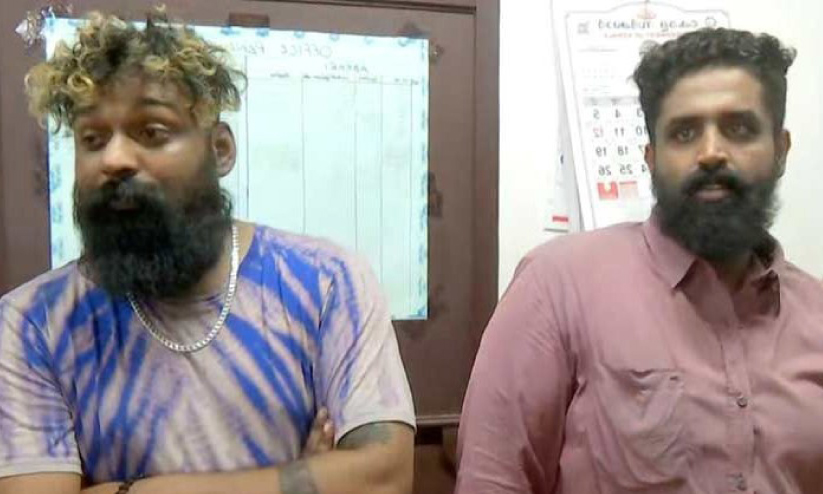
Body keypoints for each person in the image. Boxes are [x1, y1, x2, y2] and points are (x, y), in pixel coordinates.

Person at [0, 10, 415, 494]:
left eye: (151, 131)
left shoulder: (328, 283)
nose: (114, 158)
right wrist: (306, 483)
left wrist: (127, 491)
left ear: (220, 150)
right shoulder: (32, 323)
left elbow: (384, 480)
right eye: (92, 139)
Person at [456, 27, 823, 494]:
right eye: (684, 132)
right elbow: (492, 481)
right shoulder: (556, 287)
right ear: (650, 157)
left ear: (781, 150)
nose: (711, 153)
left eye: (739, 128)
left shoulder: (816, 315)